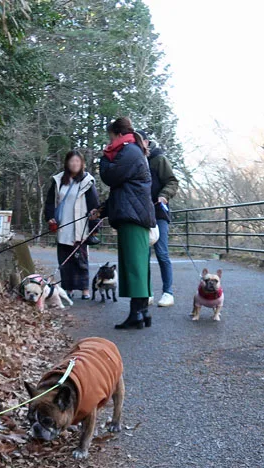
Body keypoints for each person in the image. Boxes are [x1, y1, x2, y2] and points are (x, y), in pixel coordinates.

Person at [96, 117, 156, 330]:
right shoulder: (132, 150)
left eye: (111, 137)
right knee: (138, 264)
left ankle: (136, 314)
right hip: (134, 213)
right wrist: (104, 209)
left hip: (133, 216)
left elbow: (110, 176)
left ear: (118, 134)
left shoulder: (129, 151)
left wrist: (104, 158)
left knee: (134, 265)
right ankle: (142, 312)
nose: (109, 142)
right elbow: (124, 187)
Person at [44, 150, 100, 299]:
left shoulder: (87, 181)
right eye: (72, 161)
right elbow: (50, 201)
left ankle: (84, 290)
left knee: (80, 259)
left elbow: (95, 206)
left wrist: (95, 227)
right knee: (64, 260)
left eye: (77, 161)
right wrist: (49, 217)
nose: (74, 164)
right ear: (67, 163)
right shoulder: (58, 180)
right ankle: (67, 288)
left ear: (82, 163)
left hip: (80, 226)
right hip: (63, 225)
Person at [139, 131, 179, 307]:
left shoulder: (158, 159)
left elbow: (172, 181)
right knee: (144, 254)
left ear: (146, 142)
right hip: (141, 214)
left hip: (159, 212)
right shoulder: (134, 161)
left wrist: (164, 196)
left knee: (162, 252)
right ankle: (147, 292)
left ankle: (168, 292)